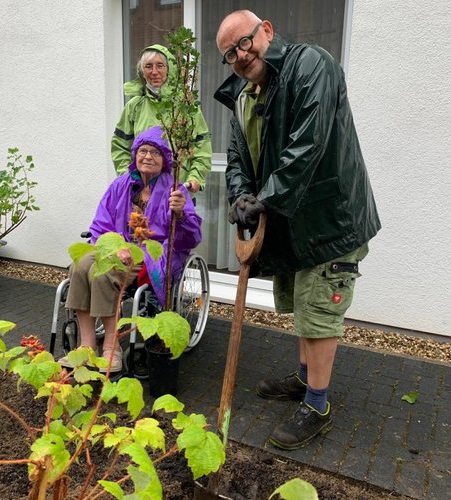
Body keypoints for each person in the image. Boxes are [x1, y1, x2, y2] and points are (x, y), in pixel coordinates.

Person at [214, 10, 381, 450]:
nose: (239, 55)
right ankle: (305, 380)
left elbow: (310, 142)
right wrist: (241, 198)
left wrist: (266, 198)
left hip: (330, 220)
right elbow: (237, 159)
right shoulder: (244, 95)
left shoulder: (311, 64)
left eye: (244, 42)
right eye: (229, 53)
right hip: (292, 222)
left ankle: (318, 404)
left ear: (266, 30)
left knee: (320, 308)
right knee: (303, 307)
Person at [59, 126, 202, 372]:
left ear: (165, 159)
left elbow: (192, 236)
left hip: (151, 253)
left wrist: (179, 212)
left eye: (155, 153)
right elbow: (100, 225)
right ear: (135, 155)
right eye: (143, 151)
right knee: (80, 264)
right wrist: (114, 247)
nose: (148, 157)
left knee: (102, 273)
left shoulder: (174, 189)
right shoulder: (121, 184)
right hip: (117, 247)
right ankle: (86, 344)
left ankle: (111, 348)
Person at [111, 44, 213, 194]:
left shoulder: (186, 106)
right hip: (142, 193)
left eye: (160, 66)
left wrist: (194, 178)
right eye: (148, 66)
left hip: (177, 193)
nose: (154, 72)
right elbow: (120, 146)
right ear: (142, 72)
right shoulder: (134, 106)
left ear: (169, 69)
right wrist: (129, 177)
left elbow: (201, 148)